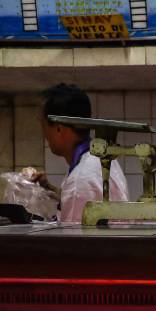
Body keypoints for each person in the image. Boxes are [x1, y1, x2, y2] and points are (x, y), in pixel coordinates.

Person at [34, 83, 128, 222]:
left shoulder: (80, 179)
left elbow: (73, 241)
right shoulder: (101, 158)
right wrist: (48, 189)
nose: (44, 134)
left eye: (43, 125)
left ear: (59, 129)